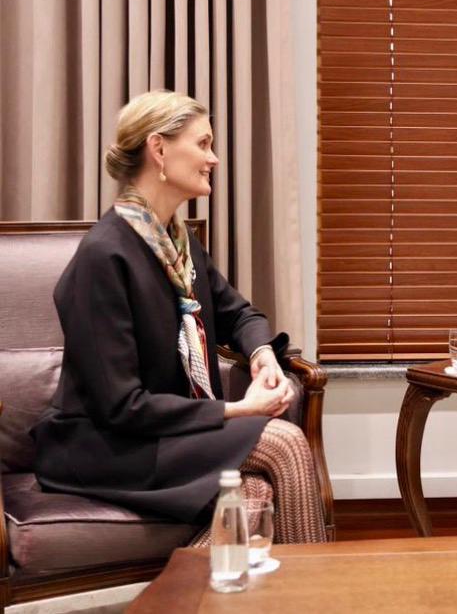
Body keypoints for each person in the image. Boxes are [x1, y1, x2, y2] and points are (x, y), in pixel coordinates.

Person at [33, 91, 327, 544]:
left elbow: (241, 315)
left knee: (252, 497)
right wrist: (238, 410)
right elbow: (121, 407)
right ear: (159, 149)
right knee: (283, 444)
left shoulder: (178, 243)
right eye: (203, 144)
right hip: (107, 446)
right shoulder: (104, 257)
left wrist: (263, 356)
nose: (213, 159)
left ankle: (191, 586)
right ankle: (314, 586)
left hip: (167, 433)